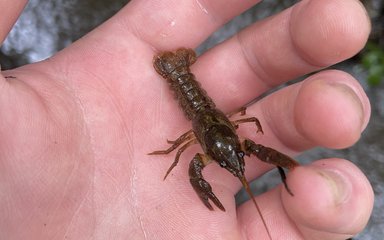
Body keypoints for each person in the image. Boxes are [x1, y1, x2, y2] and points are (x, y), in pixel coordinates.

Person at [0, 0, 374, 239]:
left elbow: (222, 149)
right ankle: (176, 72)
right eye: (237, 158)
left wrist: (257, 157)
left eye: (236, 159)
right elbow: (193, 162)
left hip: (207, 110)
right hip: (188, 91)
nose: (237, 160)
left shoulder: (228, 147)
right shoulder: (214, 147)